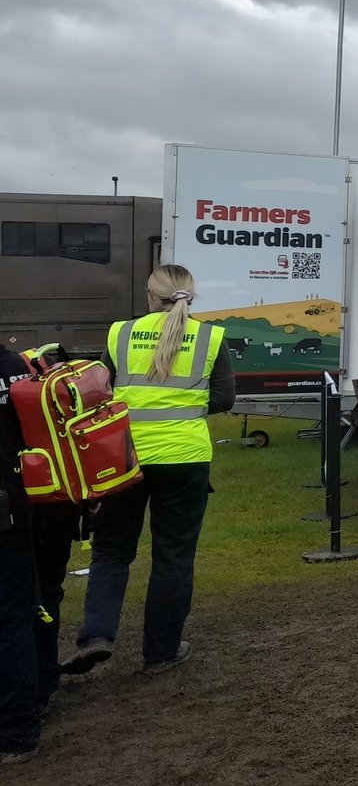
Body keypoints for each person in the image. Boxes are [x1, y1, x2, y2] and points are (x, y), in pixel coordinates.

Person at [61, 264, 235, 676]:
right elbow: (224, 398)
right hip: (185, 459)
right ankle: (161, 651)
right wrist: (182, 412)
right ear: (190, 297)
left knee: (111, 550)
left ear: (150, 296)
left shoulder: (120, 333)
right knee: (173, 556)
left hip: (123, 458)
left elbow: (99, 392)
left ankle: (97, 635)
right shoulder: (211, 337)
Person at [0, 345, 79, 765]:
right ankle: (43, 688)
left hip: (13, 510)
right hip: (38, 502)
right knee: (37, 599)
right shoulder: (17, 366)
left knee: (10, 616)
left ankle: (16, 732)